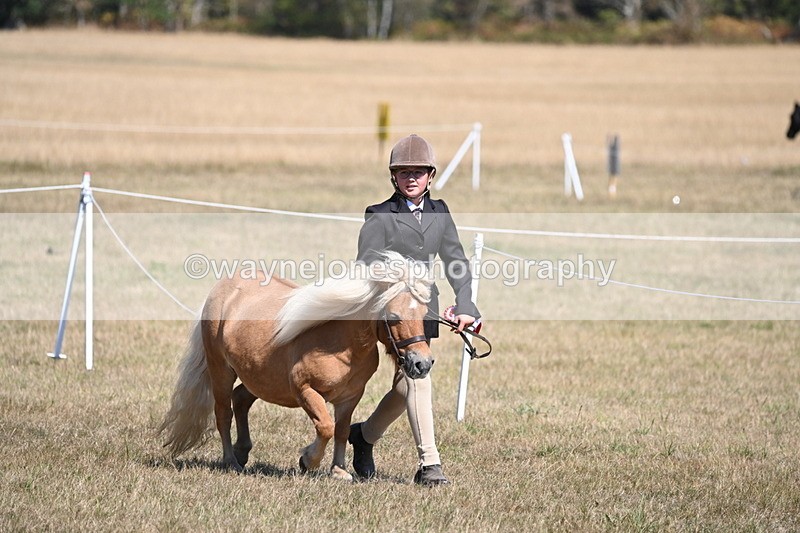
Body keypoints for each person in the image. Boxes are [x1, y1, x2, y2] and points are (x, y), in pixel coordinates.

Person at [349, 133, 480, 486]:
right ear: (393, 177)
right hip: (388, 315)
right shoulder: (379, 215)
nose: (411, 178)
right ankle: (430, 465)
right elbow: (366, 265)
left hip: (424, 311)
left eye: (418, 172)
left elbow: (456, 262)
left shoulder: (440, 212)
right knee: (418, 378)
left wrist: (466, 305)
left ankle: (364, 436)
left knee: (407, 384)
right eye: (403, 172)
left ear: (430, 176)